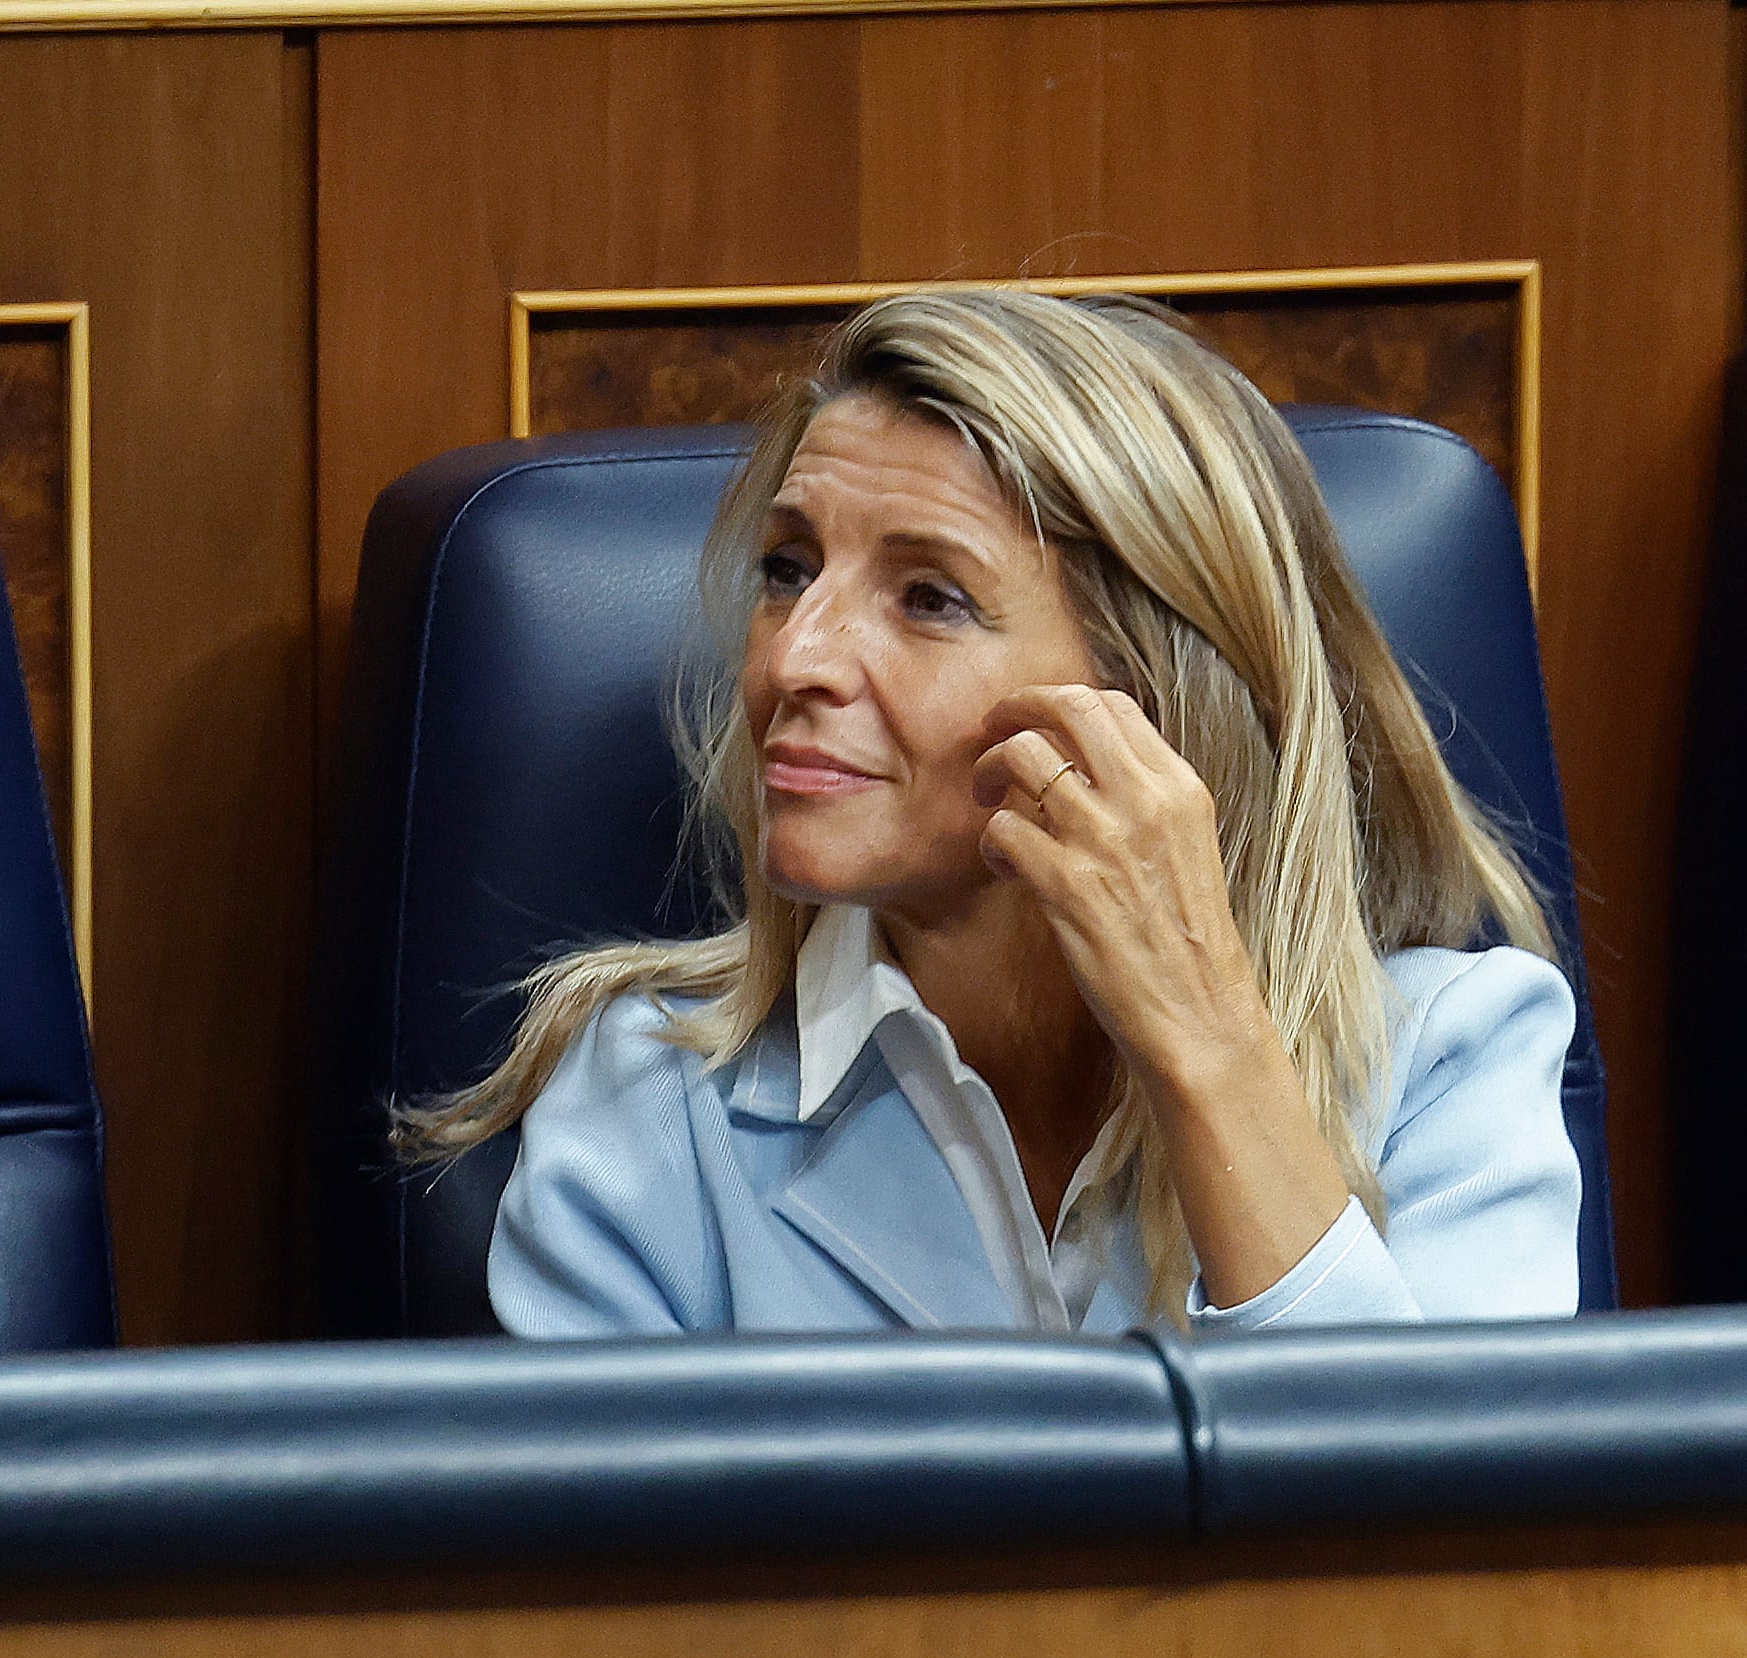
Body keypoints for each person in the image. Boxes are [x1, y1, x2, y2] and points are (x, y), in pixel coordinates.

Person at [399, 288, 1580, 1336]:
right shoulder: (647, 1103)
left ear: (1149, 696)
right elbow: (622, 1584)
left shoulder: (1444, 1064)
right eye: (786, 568)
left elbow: (1412, 1560)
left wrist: (1205, 1045)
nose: (793, 658)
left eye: (927, 597)